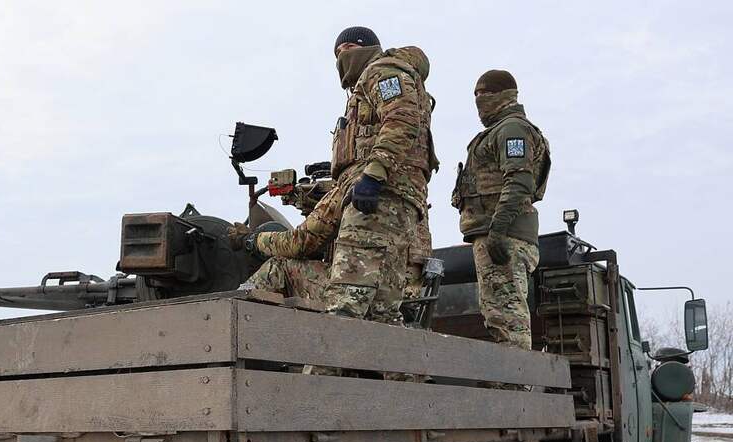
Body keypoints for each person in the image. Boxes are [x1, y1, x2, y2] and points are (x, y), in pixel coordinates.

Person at [232, 27, 437, 322]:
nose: (342, 58)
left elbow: (401, 119)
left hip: (374, 198)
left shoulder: (382, 71)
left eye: (348, 49)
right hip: (395, 237)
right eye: (337, 53)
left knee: (341, 310)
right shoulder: (402, 196)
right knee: (381, 318)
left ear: (368, 48)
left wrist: (373, 174)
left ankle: (231, 321)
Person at [452, 70, 551, 350]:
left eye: (486, 93)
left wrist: (498, 230)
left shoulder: (512, 130)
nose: (479, 99)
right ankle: (512, 372)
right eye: (476, 94)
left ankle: (517, 375)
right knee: (498, 314)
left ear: (506, 95)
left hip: (505, 234)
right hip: (496, 233)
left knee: (508, 318)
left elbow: (519, 181)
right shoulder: (500, 130)